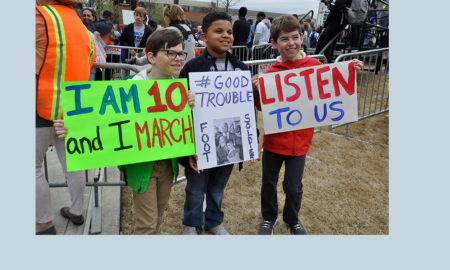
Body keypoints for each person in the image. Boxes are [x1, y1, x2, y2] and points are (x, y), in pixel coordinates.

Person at [54, 29, 195, 234]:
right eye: (171, 53)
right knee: (146, 225)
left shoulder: (180, 90)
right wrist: (71, 129)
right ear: (151, 57)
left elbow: (181, 130)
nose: (178, 59)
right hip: (141, 167)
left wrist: (190, 106)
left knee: (158, 215)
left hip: (167, 166)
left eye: (181, 53)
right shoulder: (128, 89)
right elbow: (98, 121)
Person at [251, 15, 363, 235]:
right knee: (268, 183)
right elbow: (264, 108)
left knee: (293, 187)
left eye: (295, 37)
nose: (291, 43)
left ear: (302, 37)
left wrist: (350, 71)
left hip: (300, 143)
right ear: (274, 43)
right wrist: (257, 90)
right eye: (284, 39)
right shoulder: (270, 74)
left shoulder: (315, 66)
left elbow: (330, 90)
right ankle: (269, 217)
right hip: (274, 142)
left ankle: (292, 218)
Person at [178, 11, 250, 235]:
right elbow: (179, 109)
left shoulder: (242, 69)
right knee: (196, 189)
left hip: (229, 144)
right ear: (205, 35)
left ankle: (214, 221)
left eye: (229, 31)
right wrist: (186, 149)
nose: (226, 35)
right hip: (199, 144)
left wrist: (250, 140)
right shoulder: (192, 68)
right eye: (219, 31)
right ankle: (192, 224)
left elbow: (246, 109)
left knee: (218, 188)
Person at [35, 0, 96, 235]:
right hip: (73, 107)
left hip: (40, 105)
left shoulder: (40, 17)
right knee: (73, 163)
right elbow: (90, 61)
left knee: (32, 167)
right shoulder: (83, 28)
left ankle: (44, 223)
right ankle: (77, 211)